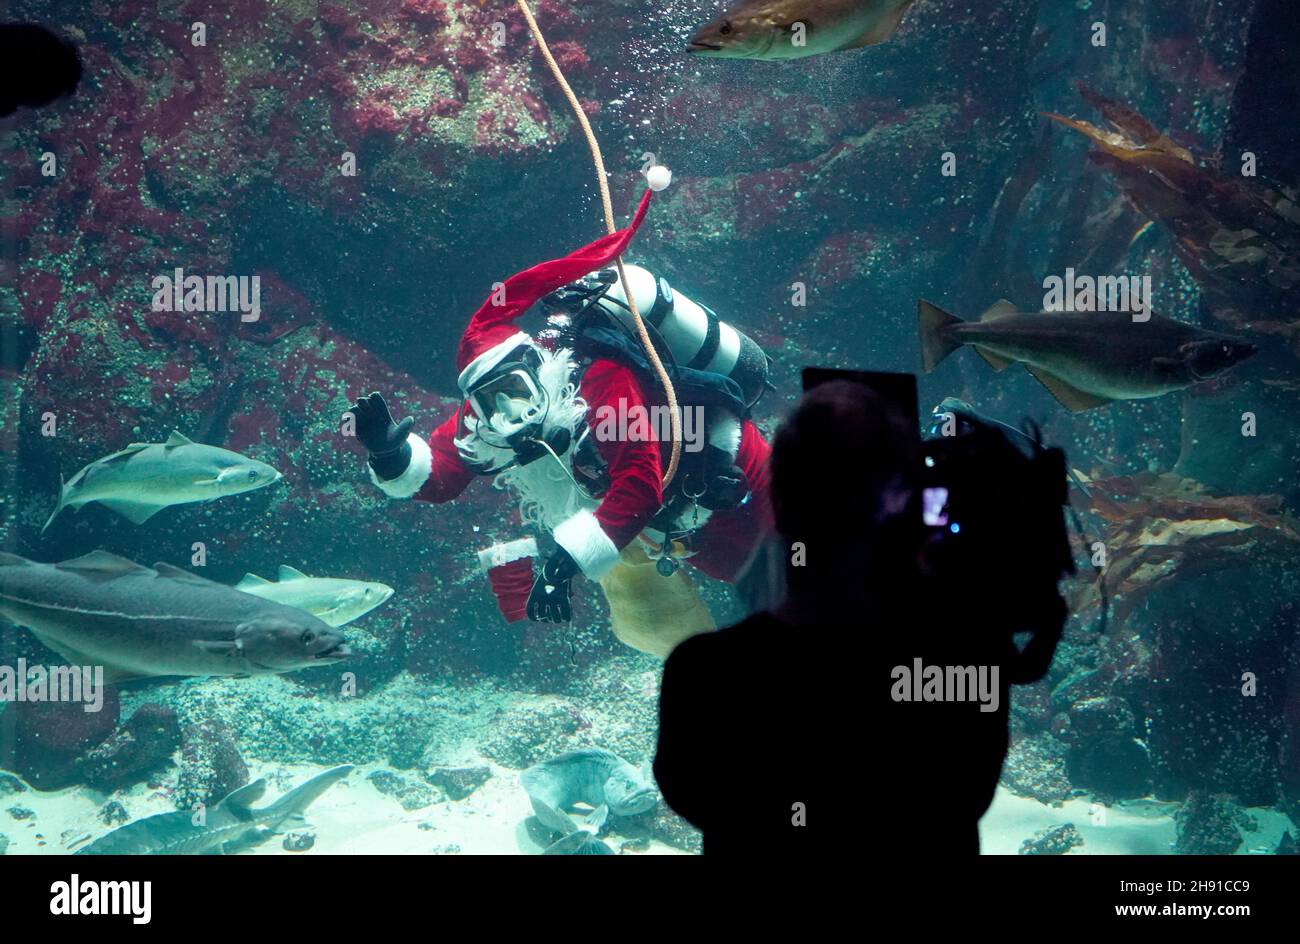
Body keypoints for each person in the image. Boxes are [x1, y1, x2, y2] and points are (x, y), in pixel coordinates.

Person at [654, 378, 1071, 854]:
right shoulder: (957, 661)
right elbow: (966, 795)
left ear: (778, 500)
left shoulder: (705, 670)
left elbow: (691, 794)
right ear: (907, 506)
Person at [347, 192, 773, 656]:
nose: (510, 410)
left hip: (735, 471)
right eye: (490, 399)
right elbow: (444, 473)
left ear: (535, 366)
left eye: (515, 388)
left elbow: (638, 483)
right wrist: (391, 455)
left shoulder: (602, 379)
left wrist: (561, 566)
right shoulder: (488, 413)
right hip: (678, 527)